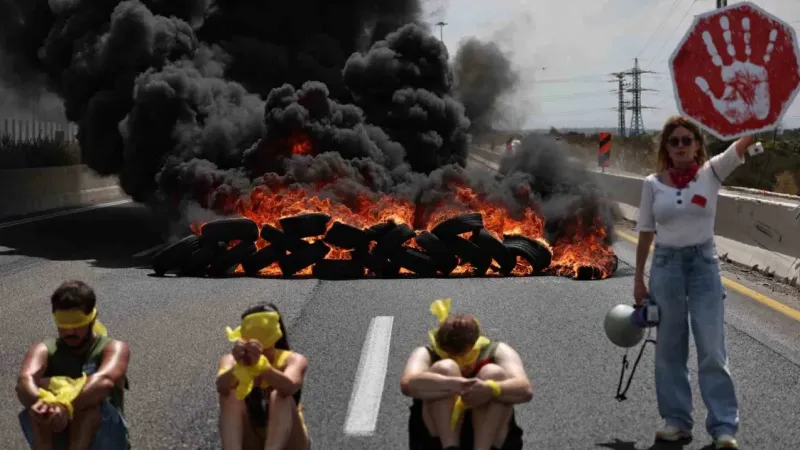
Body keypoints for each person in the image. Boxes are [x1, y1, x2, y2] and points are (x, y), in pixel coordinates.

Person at [633, 116, 757, 449]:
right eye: (674, 141)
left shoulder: (711, 173)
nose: (681, 146)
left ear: (698, 145)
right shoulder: (652, 184)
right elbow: (645, 231)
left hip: (704, 267)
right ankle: (676, 422)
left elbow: (744, 143)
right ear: (666, 147)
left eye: (687, 140)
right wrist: (639, 279)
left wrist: (762, 113)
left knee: (712, 349)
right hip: (666, 267)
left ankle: (723, 428)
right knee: (669, 350)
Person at [400, 298, 534, 450]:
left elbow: (525, 389)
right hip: (438, 433)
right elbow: (407, 384)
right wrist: (453, 384)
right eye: (451, 356)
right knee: (445, 370)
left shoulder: (498, 350)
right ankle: (450, 446)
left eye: (466, 358)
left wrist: (491, 388)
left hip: (491, 433)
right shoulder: (426, 353)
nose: (462, 365)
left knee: (493, 373)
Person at [15, 280, 131, 450]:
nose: (70, 331)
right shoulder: (43, 350)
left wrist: (66, 407)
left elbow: (104, 381)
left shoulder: (114, 348)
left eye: (77, 322)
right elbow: (24, 380)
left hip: (106, 436)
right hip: (57, 427)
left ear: (93, 318)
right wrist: (45, 404)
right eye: (63, 322)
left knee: (88, 408)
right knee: (39, 410)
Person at [216, 302, 311, 450]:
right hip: (252, 437)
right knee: (229, 395)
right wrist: (237, 367)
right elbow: (221, 386)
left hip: (290, 440)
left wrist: (263, 368)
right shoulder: (231, 360)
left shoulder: (293, 359)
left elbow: (290, 387)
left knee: (279, 395)